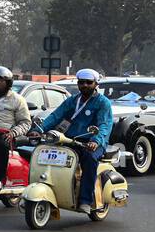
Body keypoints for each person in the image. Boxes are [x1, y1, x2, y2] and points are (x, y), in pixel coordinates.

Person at [35, 68, 114, 212]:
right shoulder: (72, 100)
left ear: (96, 84)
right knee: (46, 152)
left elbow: (105, 125)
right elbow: (55, 116)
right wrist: (38, 130)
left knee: (90, 159)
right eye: (81, 82)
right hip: (69, 139)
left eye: (88, 82)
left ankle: (85, 200)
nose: (84, 85)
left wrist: (96, 141)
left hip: (92, 142)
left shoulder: (103, 103)